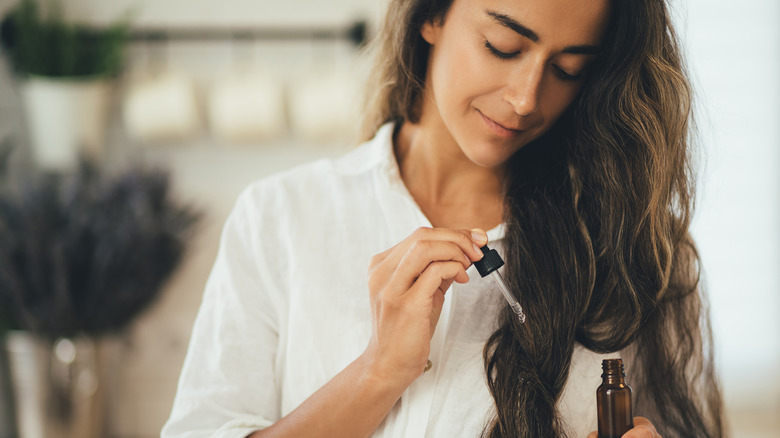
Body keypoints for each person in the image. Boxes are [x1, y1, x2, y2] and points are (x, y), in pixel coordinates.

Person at [162, 0, 726, 436]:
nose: (526, 98)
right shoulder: (281, 217)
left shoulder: (639, 255)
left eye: (568, 69)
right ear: (432, 15)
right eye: (503, 46)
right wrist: (379, 370)